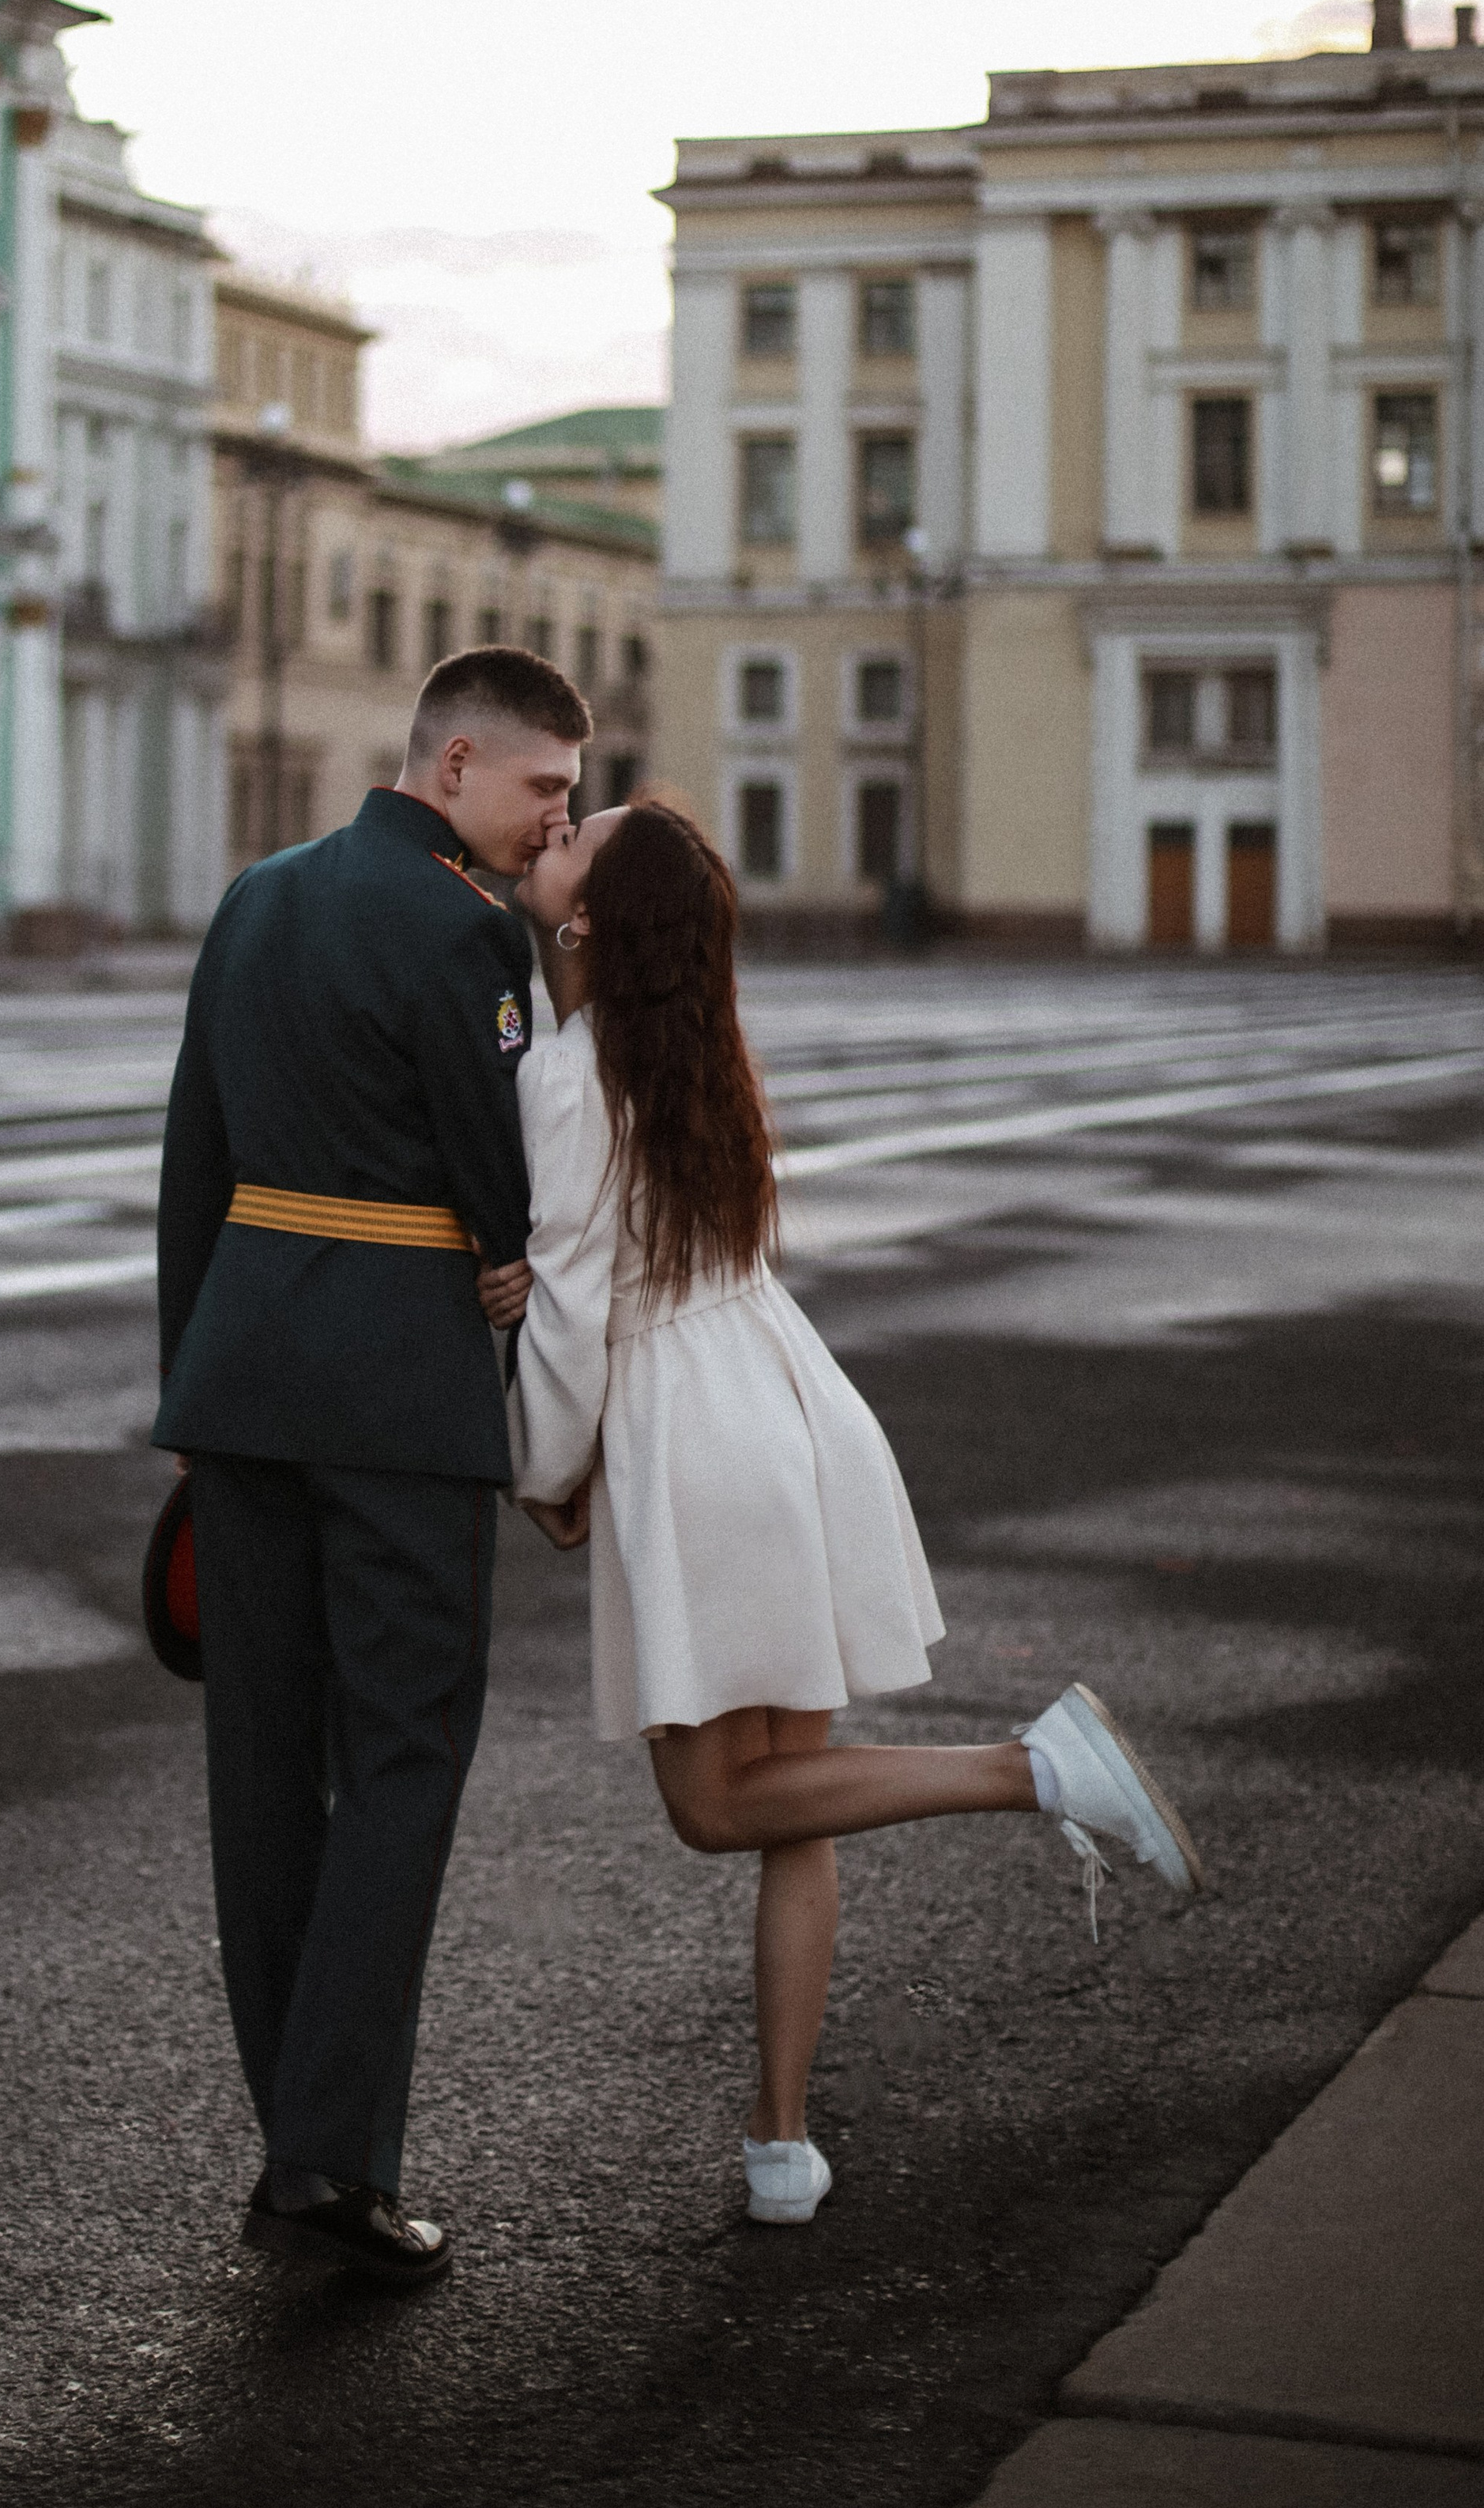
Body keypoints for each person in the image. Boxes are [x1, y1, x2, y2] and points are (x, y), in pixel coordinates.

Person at [479, 798, 1204, 2229]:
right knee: (792, 1799)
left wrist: (543, 1475)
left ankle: (1029, 1768)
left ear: (592, 918)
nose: (550, 832)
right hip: (791, 1409)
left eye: (576, 838)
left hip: (700, 1444)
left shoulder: (567, 1074)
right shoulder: (696, 1054)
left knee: (713, 1806)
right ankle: (781, 2143)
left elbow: (566, 1323)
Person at [153, 647, 592, 2285]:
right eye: (544, 787)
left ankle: (301, 2131)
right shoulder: (469, 929)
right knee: (402, 1757)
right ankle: (329, 2162)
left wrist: (193, 1386)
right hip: (399, 1392)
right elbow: (503, 1175)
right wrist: (504, 1272)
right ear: (457, 761)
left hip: (245, 1379)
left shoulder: (255, 897)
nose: (556, 823)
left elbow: (194, 1162)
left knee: (262, 1769)